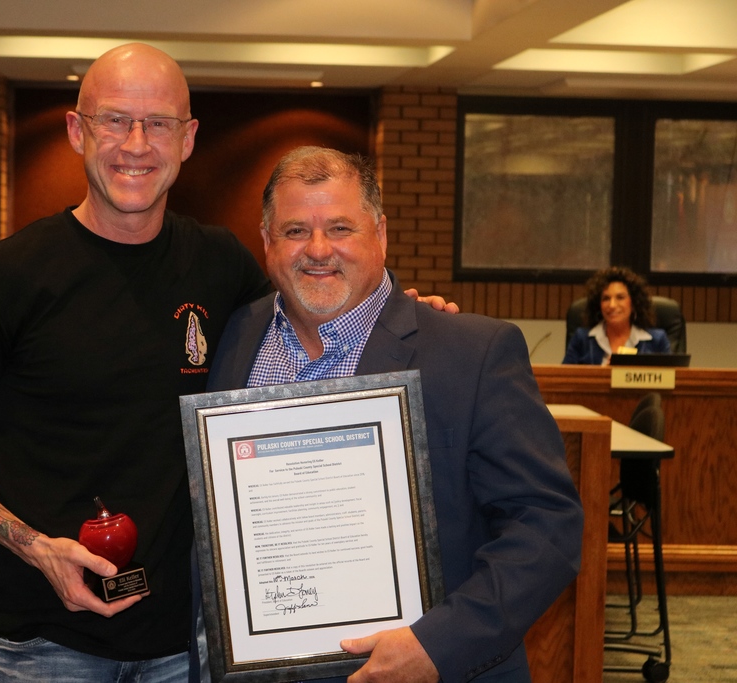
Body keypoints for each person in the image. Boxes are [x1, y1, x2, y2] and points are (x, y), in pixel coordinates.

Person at [0, 44, 455, 682]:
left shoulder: (219, 263)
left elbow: (315, 316)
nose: (136, 143)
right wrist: (35, 547)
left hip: (190, 642)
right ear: (77, 131)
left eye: (157, 123)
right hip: (41, 641)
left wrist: (403, 315)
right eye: (114, 120)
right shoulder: (0, 278)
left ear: (187, 140)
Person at [207, 147, 585, 683]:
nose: (317, 250)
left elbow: (547, 525)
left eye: (340, 227)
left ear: (380, 234)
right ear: (266, 242)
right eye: (294, 231)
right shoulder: (236, 338)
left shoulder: (471, 352)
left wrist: (437, 646)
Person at [562, 266, 670, 365]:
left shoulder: (657, 341)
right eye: (606, 299)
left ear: (634, 303)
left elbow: (672, 380)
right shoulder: (582, 339)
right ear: (599, 305)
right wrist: (604, 373)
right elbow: (563, 380)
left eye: (620, 297)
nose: (612, 305)